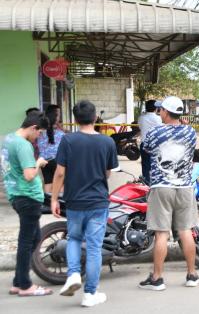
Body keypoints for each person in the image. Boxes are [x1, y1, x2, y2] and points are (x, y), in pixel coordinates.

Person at [51, 101, 118, 307]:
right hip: (98, 201)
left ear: (75, 118)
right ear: (96, 116)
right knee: (94, 247)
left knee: (74, 239)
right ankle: (90, 294)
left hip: (75, 201)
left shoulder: (68, 140)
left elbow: (60, 172)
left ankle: (73, 275)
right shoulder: (108, 142)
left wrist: (54, 198)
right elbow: (108, 172)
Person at [139, 96, 199, 291]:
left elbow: (146, 148)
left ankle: (157, 278)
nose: (159, 113)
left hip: (161, 187)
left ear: (166, 112)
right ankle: (192, 274)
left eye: (161, 110)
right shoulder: (191, 132)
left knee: (161, 234)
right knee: (185, 231)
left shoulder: (156, 132)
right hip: (184, 188)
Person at [3, 111, 51, 297]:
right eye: (39, 133)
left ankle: (18, 281)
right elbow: (29, 174)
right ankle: (25, 285)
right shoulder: (23, 145)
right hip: (27, 197)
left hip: (16, 194)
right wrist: (38, 162)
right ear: (33, 128)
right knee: (27, 241)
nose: (38, 137)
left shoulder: (8, 140)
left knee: (33, 238)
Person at [37, 107, 65, 193]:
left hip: (43, 161)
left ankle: (47, 203)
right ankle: (59, 202)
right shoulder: (60, 134)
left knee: (48, 182)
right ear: (55, 117)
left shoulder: (40, 132)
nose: (59, 118)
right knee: (60, 183)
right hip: (56, 161)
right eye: (58, 116)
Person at [139, 100, 162, 185]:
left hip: (144, 144)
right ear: (156, 108)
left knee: (145, 166)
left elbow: (140, 127)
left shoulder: (141, 118)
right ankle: (155, 184)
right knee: (156, 165)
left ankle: (146, 184)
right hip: (155, 145)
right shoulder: (158, 118)